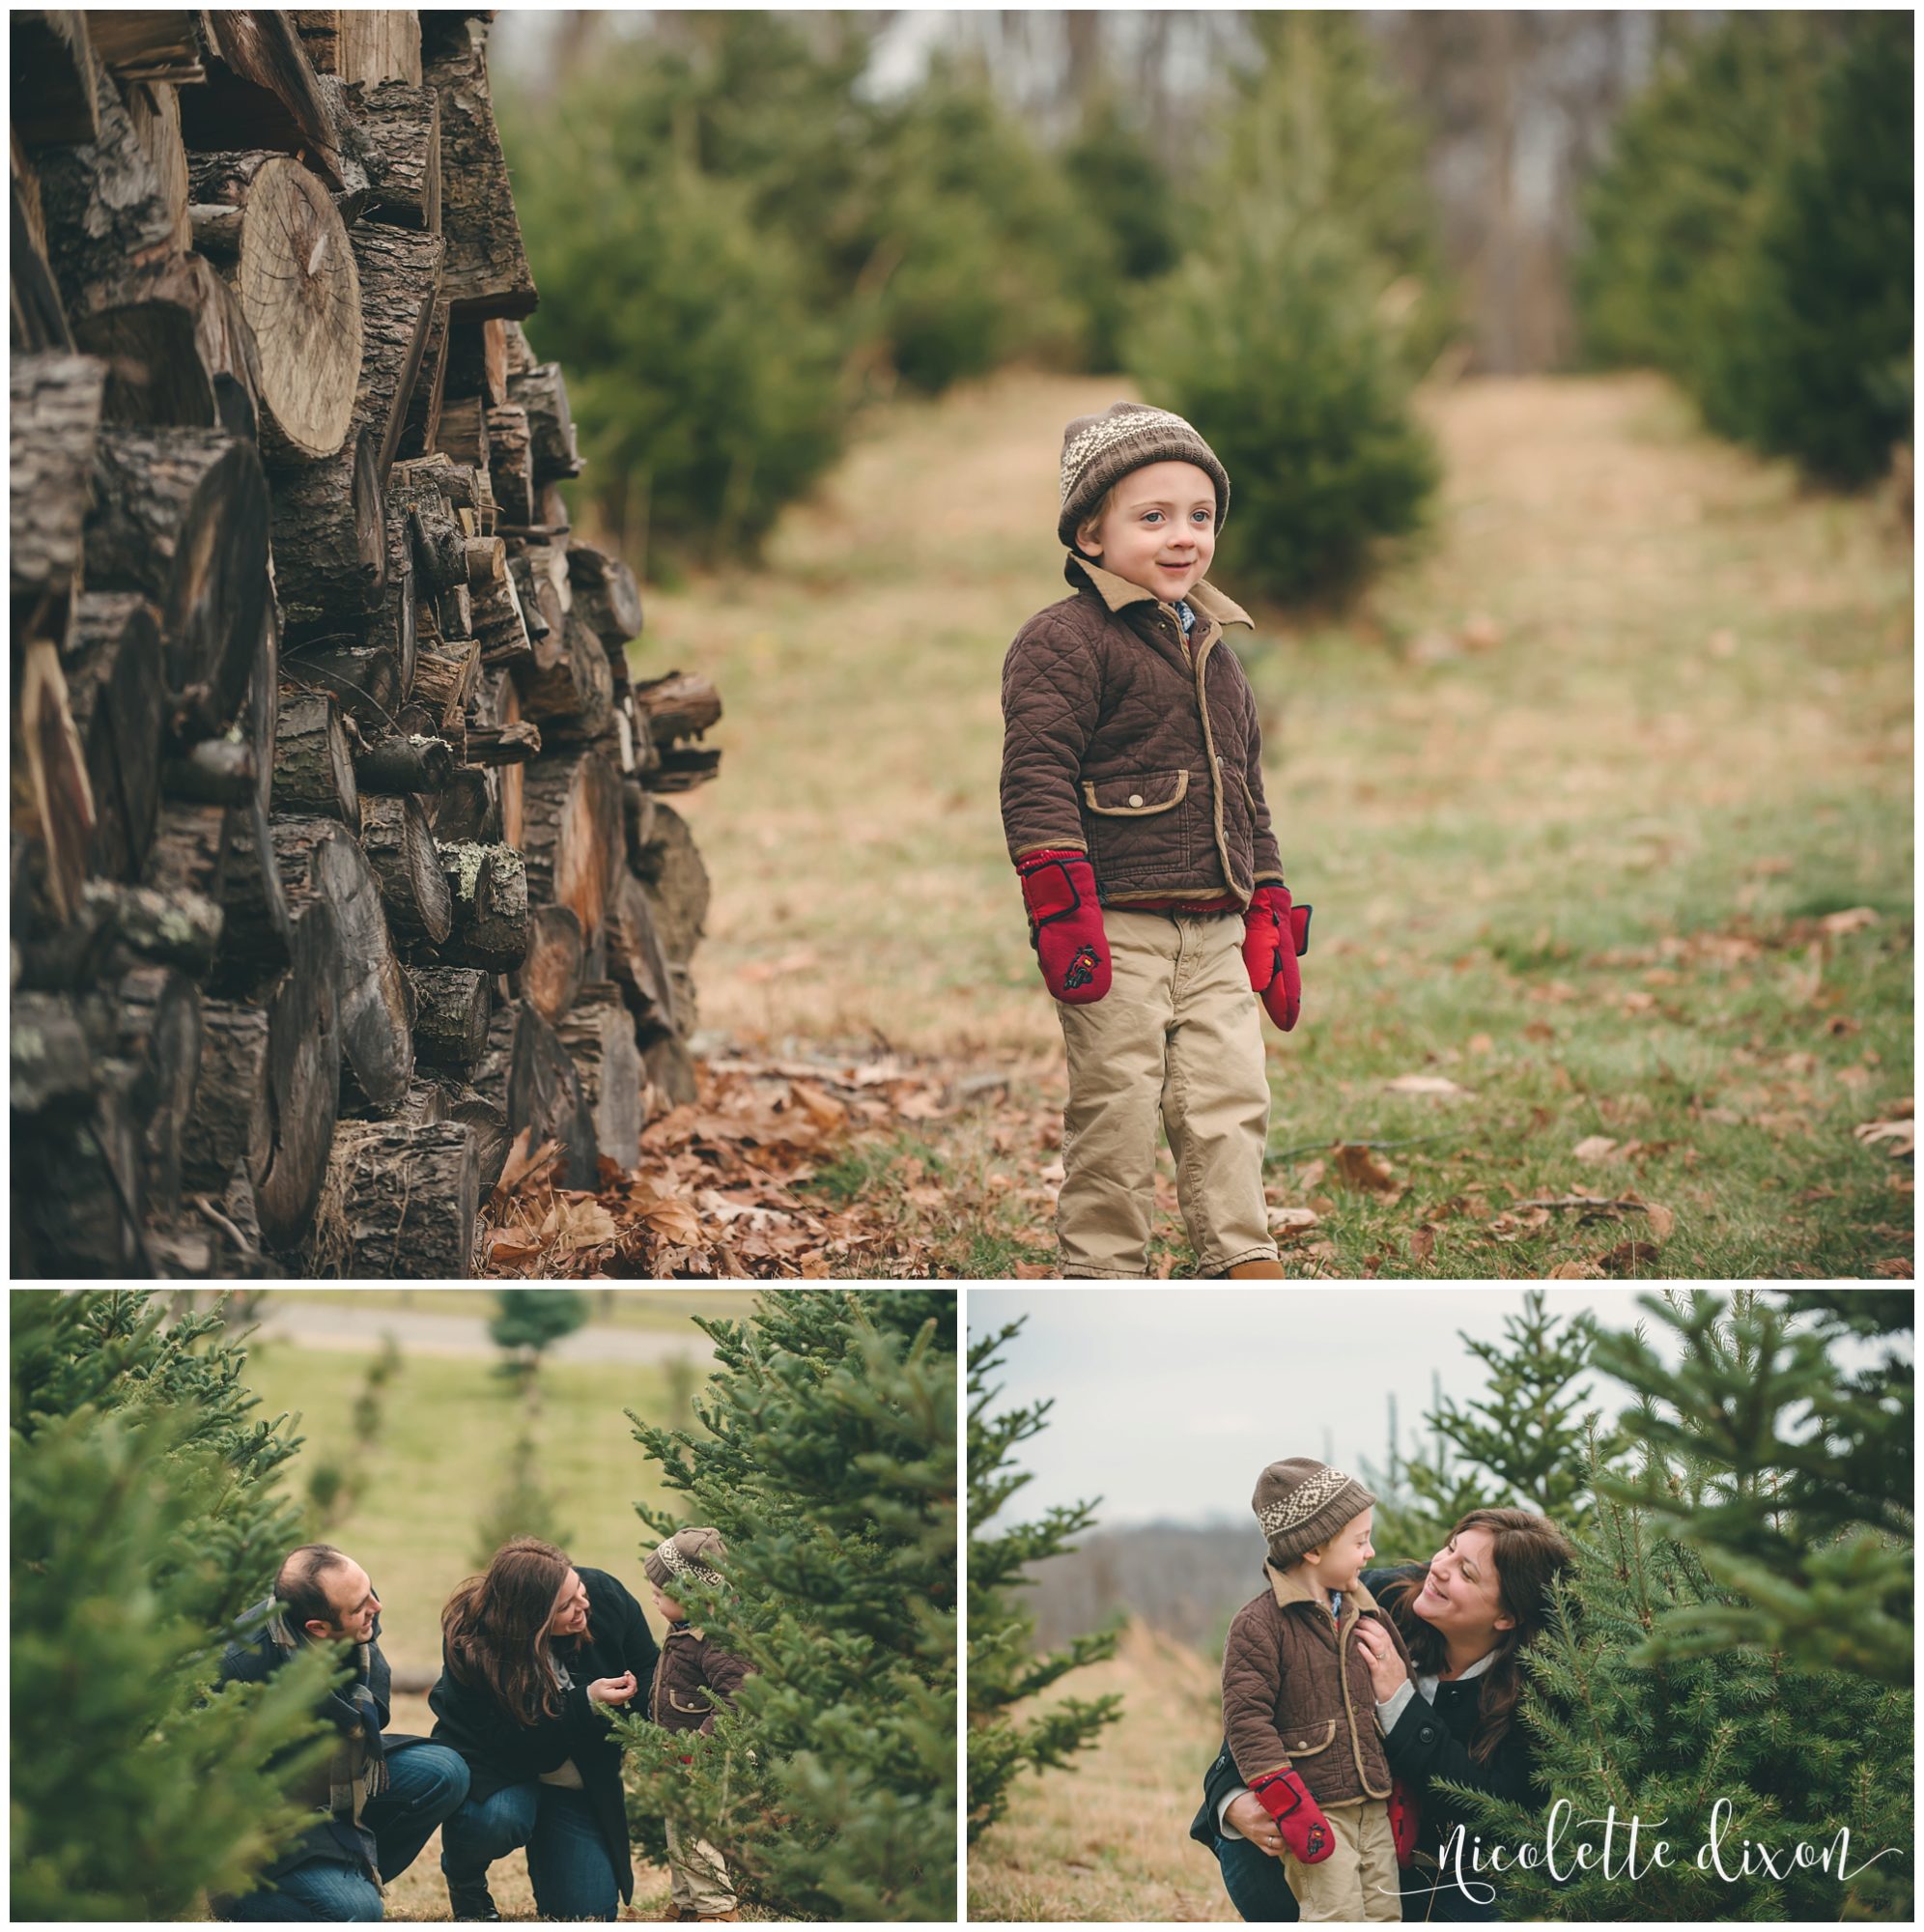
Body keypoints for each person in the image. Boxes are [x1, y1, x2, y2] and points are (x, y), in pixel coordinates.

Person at [999, 400, 1311, 1279]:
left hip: (1217, 930)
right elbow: (1036, 776)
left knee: (1230, 1100)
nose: (1184, 537)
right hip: (1120, 931)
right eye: (1153, 517)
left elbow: (1246, 787)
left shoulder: (1216, 645)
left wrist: (1270, 902)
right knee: (1119, 1110)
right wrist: (1062, 905)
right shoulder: (1064, 643)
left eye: (1200, 516)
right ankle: (1103, 1270)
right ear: (1090, 535)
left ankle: (1241, 1259)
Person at [1195, 1507, 1578, 1923]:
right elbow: (1261, 1708)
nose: (1440, 1568)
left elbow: (1495, 1810)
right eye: (1449, 1549)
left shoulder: (1540, 1693)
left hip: (1441, 1873)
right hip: (1315, 1836)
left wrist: (1399, 1701)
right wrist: (1231, 1798)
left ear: (1507, 1616)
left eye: (1466, 1573)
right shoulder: (1372, 1599)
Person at [212, 1544, 471, 1922]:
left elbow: (372, 1709)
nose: (376, 1607)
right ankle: (247, 1903)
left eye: (369, 1590)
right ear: (316, 1628)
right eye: (359, 1606)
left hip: (336, 1779)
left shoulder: (355, 1613)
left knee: (445, 1771)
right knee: (358, 1913)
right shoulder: (238, 1670)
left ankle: (354, 1871)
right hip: (271, 1823)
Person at [1220, 1460, 1412, 1922]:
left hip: (1375, 1805)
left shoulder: (1367, 1613)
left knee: (1386, 1914)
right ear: (1312, 1549)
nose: (1370, 1554)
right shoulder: (1259, 1625)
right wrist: (1287, 1803)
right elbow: (1247, 1721)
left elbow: (1399, 1693)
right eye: (1360, 1541)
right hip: (1316, 1811)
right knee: (1335, 1914)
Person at [430, 1537, 661, 1922]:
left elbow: (651, 1668)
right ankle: (465, 1879)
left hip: (576, 1782)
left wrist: (647, 1719)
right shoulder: (473, 1644)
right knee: (501, 1819)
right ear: (529, 1619)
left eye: (579, 1592)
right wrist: (585, 1702)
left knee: (586, 1913)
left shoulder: (604, 1596)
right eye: (565, 1607)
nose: (582, 1607)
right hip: (502, 1772)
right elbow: (515, 1744)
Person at [644, 1528, 752, 1924]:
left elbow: (738, 1699)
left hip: (703, 1757)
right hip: (679, 1755)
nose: (653, 1594)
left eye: (662, 1590)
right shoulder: (684, 1630)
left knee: (695, 1833)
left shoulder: (719, 1642)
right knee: (677, 1831)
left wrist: (701, 1744)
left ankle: (717, 1910)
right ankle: (686, 1903)